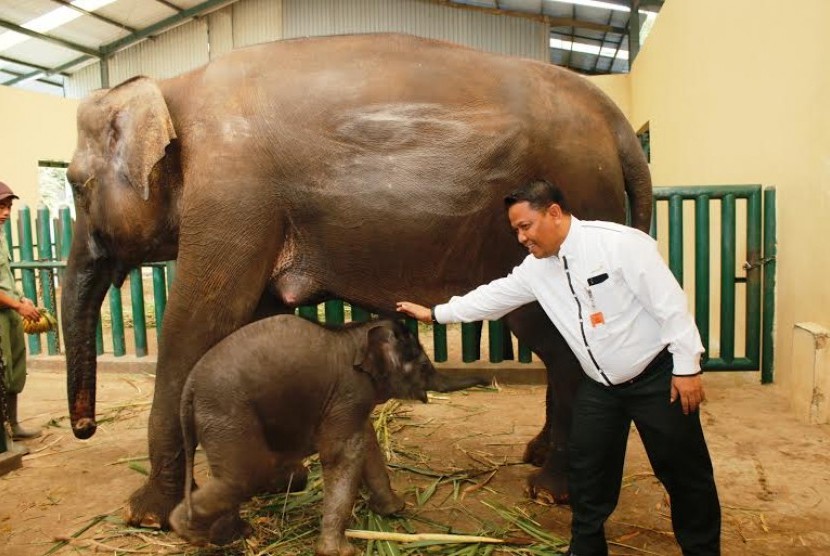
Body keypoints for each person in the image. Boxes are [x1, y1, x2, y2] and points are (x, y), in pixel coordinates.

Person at [397, 179, 720, 556]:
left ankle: (701, 550)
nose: (521, 238)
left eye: (525, 226)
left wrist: (686, 367)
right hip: (600, 387)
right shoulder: (536, 269)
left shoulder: (621, 245)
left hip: (657, 379)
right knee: (587, 472)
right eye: (515, 230)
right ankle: (586, 549)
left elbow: (670, 305)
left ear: (554, 213)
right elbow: (493, 297)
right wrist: (436, 314)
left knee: (684, 475)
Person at [0, 180, 42, 451]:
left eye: (8, 207)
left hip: (9, 313)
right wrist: (16, 306)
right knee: (1, 373)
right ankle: (2, 440)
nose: (5, 212)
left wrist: (21, 298)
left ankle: (13, 427)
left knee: (14, 369)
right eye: (1, 207)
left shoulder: (1, 235)